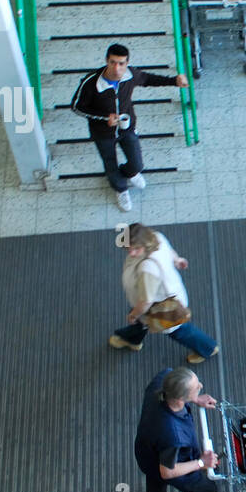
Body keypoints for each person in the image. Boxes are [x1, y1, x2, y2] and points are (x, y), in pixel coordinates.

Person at [69, 42, 189, 212]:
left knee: (137, 164)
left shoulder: (130, 75)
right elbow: (76, 106)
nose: (117, 68)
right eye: (113, 62)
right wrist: (104, 118)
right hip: (103, 133)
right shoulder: (91, 82)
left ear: (127, 63)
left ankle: (130, 173)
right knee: (110, 164)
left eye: (121, 63)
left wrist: (174, 81)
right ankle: (120, 189)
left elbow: (147, 79)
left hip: (127, 127)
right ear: (106, 61)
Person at [109, 223, 220, 365]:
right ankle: (131, 339)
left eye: (136, 249)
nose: (131, 253)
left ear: (145, 243)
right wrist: (177, 260)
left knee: (178, 330)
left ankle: (208, 348)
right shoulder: (156, 237)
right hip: (170, 294)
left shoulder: (148, 269)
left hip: (161, 308)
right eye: (129, 248)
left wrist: (134, 315)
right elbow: (169, 250)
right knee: (141, 323)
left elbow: (146, 302)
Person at [133, 367, 228, 492]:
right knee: (207, 491)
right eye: (196, 388)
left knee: (155, 484)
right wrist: (201, 462)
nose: (201, 385)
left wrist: (195, 399)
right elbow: (168, 472)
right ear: (180, 399)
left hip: (147, 451)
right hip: (167, 462)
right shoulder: (173, 435)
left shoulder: (162, 379)